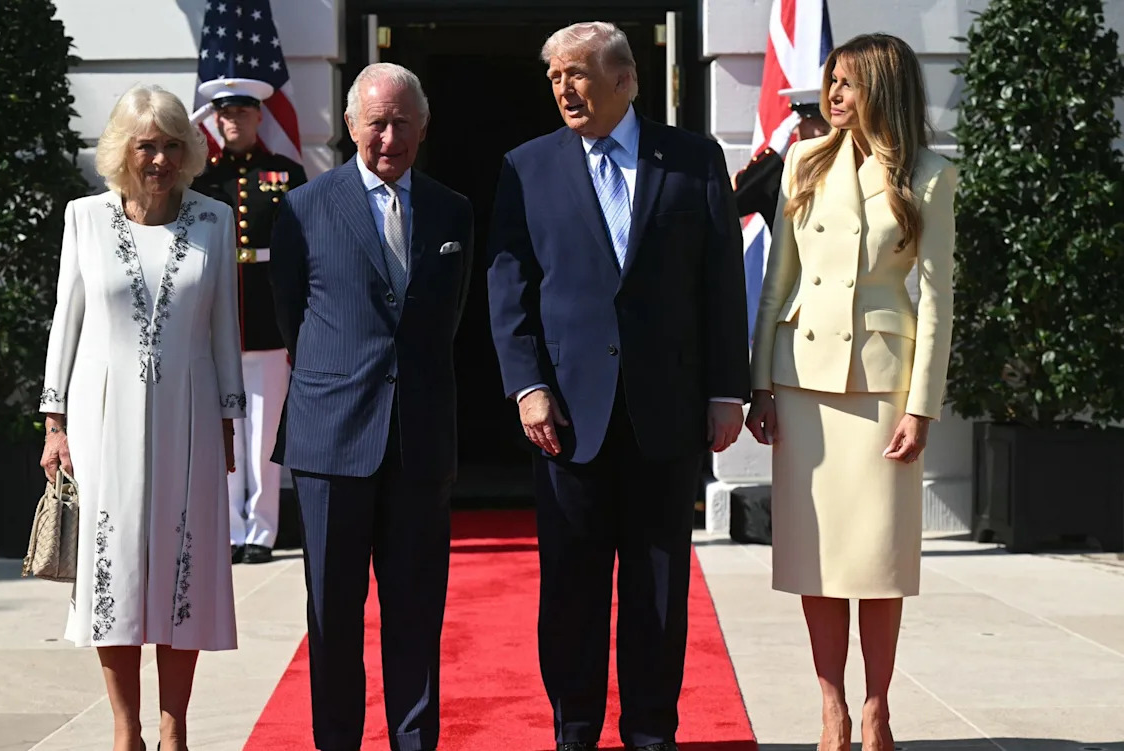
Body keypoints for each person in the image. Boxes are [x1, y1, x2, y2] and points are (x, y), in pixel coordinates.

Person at [486, 22, 751, 751]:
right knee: (571, 584)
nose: (563, 89)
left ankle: (650, 731)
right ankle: (574, 729)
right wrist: (526, 386)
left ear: (625, 80)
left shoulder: (693, 159)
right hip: (566, 414)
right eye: (554, 78)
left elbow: (722, 282)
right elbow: (508, 286)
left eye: (576, 73)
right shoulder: (527, 167)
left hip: (666, 408)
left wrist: (727, 391)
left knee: (658, 584)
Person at [744, 34, 957, 751]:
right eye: (831, 81)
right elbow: (778, 279)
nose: (832, 95)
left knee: (878, 557)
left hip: (882, 387)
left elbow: (937, 301)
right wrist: (760, 384)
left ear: (883, 89)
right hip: (802, 380)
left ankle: (877, 707)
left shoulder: (931, 176)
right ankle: (832, 705)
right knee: (819, 555)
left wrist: (921, 407)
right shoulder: (803, 160)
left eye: (847, 83)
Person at [268, 62, 473, 751]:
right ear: (351, 125)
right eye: (377, 123)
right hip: (331, 439)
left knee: (416, 611)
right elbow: (293, 315)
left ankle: (414, 741)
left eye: (402, 123)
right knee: (333, 613)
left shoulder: (452, 210)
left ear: (424, 126)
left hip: (419, 441)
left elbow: (448, 316)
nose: (389, 137)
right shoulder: (304, 207)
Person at [38, 84, 244, 751]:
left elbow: (224, 328)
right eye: (146, 145)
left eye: (172, 146)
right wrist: (54, 422)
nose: (160, 159)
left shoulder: (215, 219)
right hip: (102, 420)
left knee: (186, 566)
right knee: (116, 566)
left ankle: (174, 729)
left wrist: (229, 419)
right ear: (121, 150)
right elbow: (66, 320)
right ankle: (126, 729)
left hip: (191, 414)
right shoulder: (84, 218)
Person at [191, 78, 308, 565]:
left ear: (259, 116)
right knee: (224, 430)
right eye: (224, 114)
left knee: (263, 435)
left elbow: (303, 248)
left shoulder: (284, 174)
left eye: (241, 112)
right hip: (217, 320)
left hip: (267, 321)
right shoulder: (202, 178)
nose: (232, 121)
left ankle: (261, 530)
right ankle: (230, 528)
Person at [733, 86, 832, 228]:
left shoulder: (845, 165)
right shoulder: (778, 177)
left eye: (825, 119)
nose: (821, 128)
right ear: (796, 125)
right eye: (810, 120)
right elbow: (735, 202)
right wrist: (772, 154)